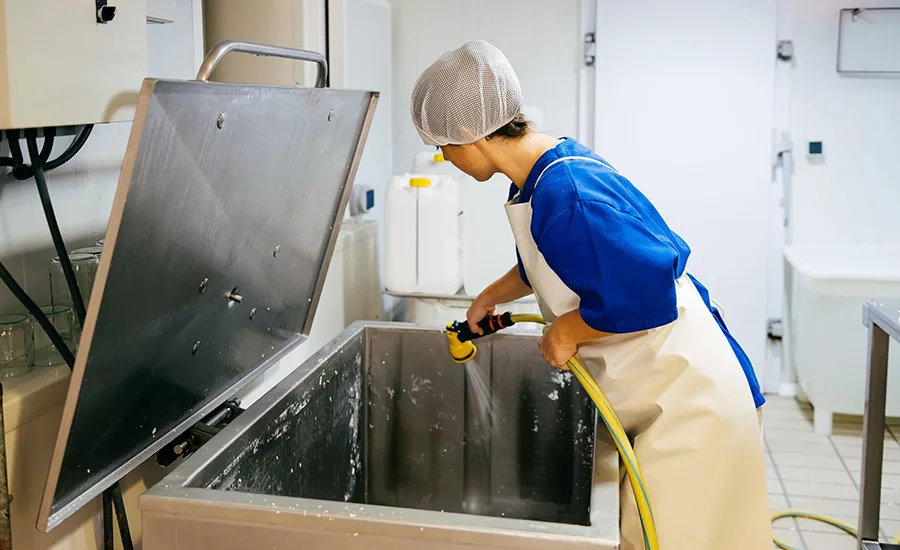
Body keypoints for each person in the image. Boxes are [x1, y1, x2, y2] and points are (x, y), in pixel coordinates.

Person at [410, 40, 772, 550]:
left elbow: (643, 292)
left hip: (692, 400)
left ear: (470, 132)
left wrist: (567, 330)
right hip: (662, 390)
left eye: (444, 145)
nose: (445, 158)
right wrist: (492, 294)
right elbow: (561, 257)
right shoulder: (541, 173)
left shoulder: (567, 189)